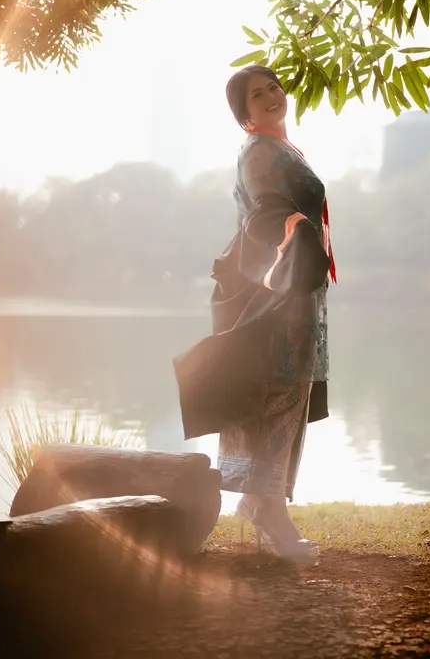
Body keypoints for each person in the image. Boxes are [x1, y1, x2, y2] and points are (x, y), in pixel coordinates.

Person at [174, 64, 335, 564]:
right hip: (276, 294)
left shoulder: (280, 147)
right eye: (256, 95)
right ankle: (270, 512)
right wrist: (295, 229)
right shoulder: (260, 151)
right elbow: (266, 213)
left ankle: (260, 501)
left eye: (273, 88)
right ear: (243, 115)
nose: (269, 97)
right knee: (276, 393)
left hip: (294, 289)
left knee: (288, 393)